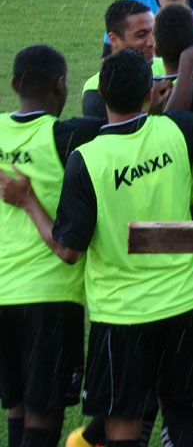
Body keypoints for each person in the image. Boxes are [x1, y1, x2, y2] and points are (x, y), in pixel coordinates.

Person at [3, 48, 193, 447]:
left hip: (120, 314)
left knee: (122, 418)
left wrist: (28, 202)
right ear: (149, 93)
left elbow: (68, 249)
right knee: (181, 409)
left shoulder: (87, 159)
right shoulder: (178, 130)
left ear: (100, 96)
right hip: (181, 302)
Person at [0, 45, 103, 447]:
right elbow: (123, 124)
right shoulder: (67, 135)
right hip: (51, 296)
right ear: (61, 84)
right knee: (43, 414)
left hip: (3, 295)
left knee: (18, 407)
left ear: (13, 85)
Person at [84, 0, 171, 119]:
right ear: (114, 39)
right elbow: (112, 136)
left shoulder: (167, 69)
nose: (152, 43)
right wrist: (150, 110)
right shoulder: (97, 88)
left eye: (153, 33)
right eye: (141, 35)